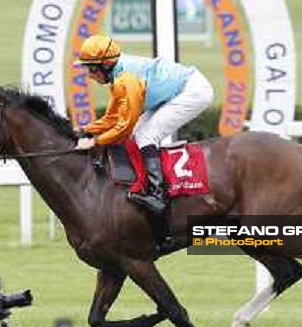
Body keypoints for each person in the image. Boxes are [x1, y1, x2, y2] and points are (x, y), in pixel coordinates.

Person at [74, 34, 214, 215]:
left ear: (106, 64)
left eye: (92, 68)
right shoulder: (118, 76)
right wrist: (86, 130)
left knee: (146, 135)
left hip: (193, 91)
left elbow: (124, 126)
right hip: (177, 90)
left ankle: (158, 195)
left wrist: (96, 142)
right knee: (139, 133)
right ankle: (143, 183)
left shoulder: (128, 80)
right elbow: (112, 117)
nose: (90, 75)